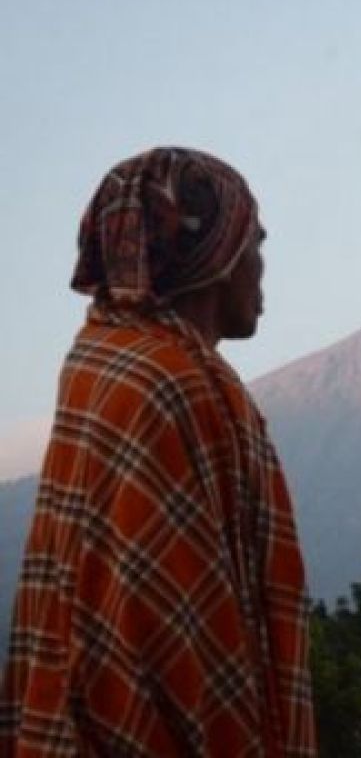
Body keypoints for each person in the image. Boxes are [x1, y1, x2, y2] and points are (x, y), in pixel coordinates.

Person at [0, 148, 315, 756]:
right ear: (217, 255)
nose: (261, 266)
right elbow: (172, 632)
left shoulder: (102, 361)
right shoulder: (170, 384)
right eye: (255, 243)